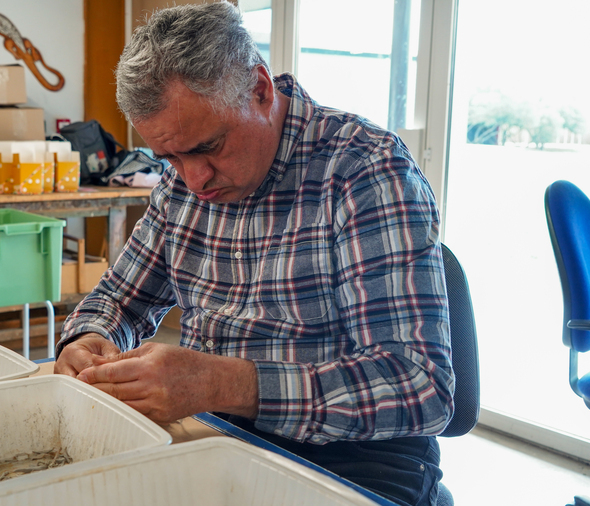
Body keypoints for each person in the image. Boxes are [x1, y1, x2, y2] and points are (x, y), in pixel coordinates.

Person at [54, 2, 454, 505]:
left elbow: (419, 387)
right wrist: (90, 337)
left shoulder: (365, 171)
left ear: (260, 90)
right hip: (217, 430)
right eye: (170, 158)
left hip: (354, 458)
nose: (193, 178)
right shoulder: (181, 183)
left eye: (208, 147)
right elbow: (119, 297)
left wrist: (224, 384)